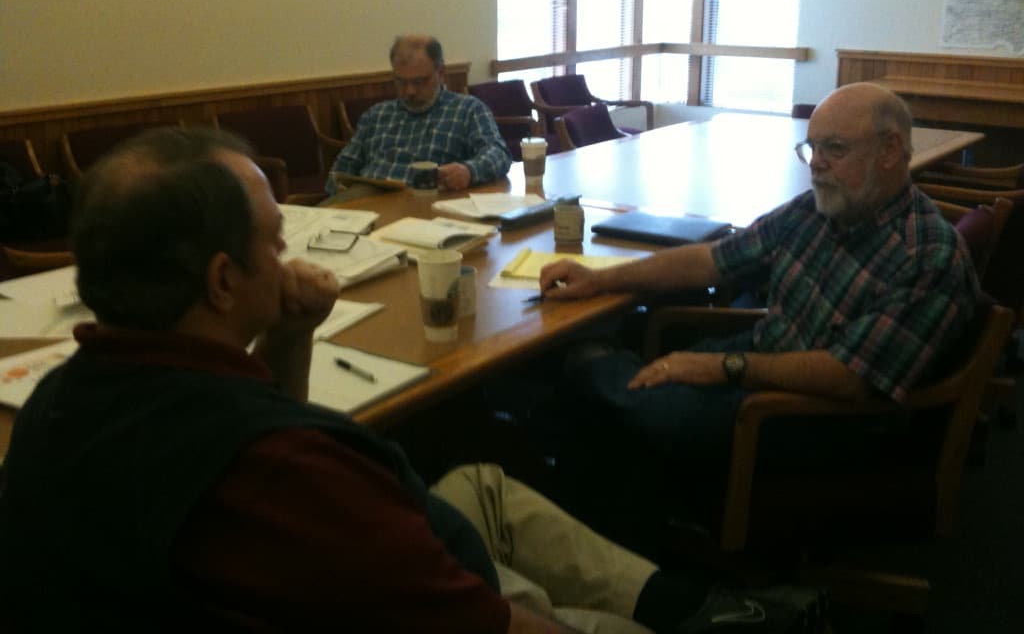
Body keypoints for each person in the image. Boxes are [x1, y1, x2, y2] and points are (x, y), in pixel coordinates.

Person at [0, 128, 825, 633]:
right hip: (444, 604)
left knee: (481, 485)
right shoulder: (284, 479)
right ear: (222, 282)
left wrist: (291, 333)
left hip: (373, 574)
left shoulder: (60, 403)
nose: (288, 258)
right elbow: (479, 622)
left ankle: (698, 606)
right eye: (275, 240)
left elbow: (261, 431)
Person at [535, 82, 981, 542]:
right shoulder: (818, 210)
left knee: (612, 391)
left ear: (890, 151)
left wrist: (722, 367)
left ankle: (586, 387)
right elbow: (715, 259)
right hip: (765, 364)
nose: (818, 165)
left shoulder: (926, 255)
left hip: (827, 421)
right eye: (811, 149)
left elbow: (849, 377)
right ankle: (610, 534)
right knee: (630, 402)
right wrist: (601, 278)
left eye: (835, 149)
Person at [326, 35, 512, 194]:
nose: (410, 91)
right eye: (400, 82)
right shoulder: (376, 115)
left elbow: (499, 154)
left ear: (441, 73)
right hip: (367, 207)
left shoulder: (467, 110)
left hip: (425, 212)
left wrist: (469, 171)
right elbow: (341, 171)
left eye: (419, 81)